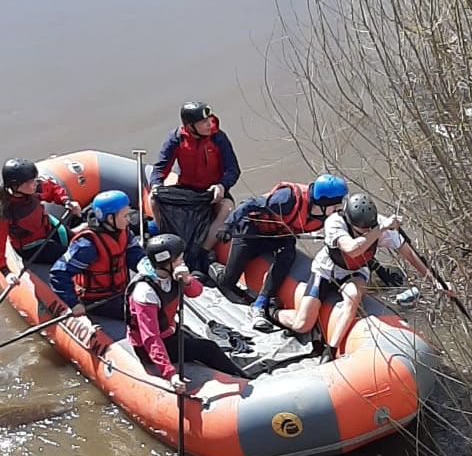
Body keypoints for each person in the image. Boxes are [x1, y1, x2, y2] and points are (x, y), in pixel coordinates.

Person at [269, 193, 446, 363]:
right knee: (302, 325)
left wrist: (435, 282)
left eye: (371, 227)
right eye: (363, 229)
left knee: (353, 296)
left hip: (356, 272)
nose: (367, 231)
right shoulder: (335, 223)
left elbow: (410, 255)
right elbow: (352, 249)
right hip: (326, 269)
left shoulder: (380, 225)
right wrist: (379, 230)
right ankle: (274, 312)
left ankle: (331, 349)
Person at [212, 174, 349, 332]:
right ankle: (214, 266)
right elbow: (248, 204)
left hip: (278, 237)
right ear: (324, 203)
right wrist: (228, 226)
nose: (338, 210)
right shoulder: (287, 199)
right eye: (336, 205)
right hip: (251, 231)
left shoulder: (328, 216)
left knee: (288, 252)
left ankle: (261, 303)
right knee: (228, 283)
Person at [127, 234, 248, 388]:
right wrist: (169, 373)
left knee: (198, 342)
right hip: (149, 346)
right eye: (179, 259)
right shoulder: (145, 293)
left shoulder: (170, 274)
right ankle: (244, 379)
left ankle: (236, 373)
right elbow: (150, 337)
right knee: (209, 348)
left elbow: (196, 292)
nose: (182, 262)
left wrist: (187, 280)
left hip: (170, 331)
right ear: (166, 263)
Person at [148, 101, 241, 274]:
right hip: (186, 189)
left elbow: (233, 170)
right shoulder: (176, 138)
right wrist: (156, 185)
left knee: (227, 208)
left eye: (209, 119)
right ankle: (168, 241)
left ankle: (202, 252)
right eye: (203, 122)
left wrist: (222, 185)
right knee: (153, 198)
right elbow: (160, 168)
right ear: (190, 126)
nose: (209, 124)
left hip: (211, 192)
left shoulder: (218, 138)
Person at [49, 190, 146, 319]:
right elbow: (59, 272)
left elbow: (135, 255)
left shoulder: (124, 232)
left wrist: (149, 269)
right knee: (141, 313)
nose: (129, 220)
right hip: (97, 300)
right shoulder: (87, 245)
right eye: (125, 216)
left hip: (121, 290)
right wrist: (74, 303)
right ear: (110, 218)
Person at [0, 158, 82, 284]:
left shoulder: (34, 188)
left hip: (48, 226)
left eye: (34, 180)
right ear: (15, 186)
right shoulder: (3, 211)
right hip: (32, 247)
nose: (35, 183)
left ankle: (78, 231)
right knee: (71, 256)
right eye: (30, 182)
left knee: (79, 243)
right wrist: (6, 272)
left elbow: (52, 189)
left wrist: (66, 202)